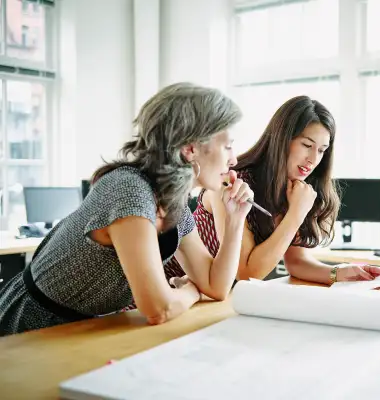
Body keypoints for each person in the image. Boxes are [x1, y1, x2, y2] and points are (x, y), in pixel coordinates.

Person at [0, 82, 253, 336]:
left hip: (85, 327)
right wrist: (189, 291)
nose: (233, 160)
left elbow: (216, 286)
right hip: (29, 324)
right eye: (228, 146)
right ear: (190, 149)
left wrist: (235, 221)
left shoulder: (173, 204)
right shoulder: (130, 191)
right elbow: (159, 308)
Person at [165, 96, 380, 287]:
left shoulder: (296, 190)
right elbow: (246, 273)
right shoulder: (233, 183)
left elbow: (297, 261)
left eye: (322, 150)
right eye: (306, 145)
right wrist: (296, 214)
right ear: (283, 139)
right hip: (175, 289)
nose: (313, 159)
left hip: (219, 298)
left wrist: (339, 273)